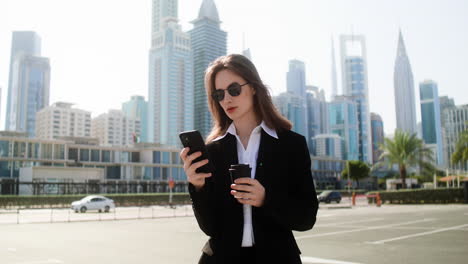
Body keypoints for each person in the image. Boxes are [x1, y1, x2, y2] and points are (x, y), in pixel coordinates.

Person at [180, 54, 318, 264]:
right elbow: (210, 227)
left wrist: (266, 198)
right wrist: (198, 188)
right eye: (219, 94)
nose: (227, 99)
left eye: (234, 89)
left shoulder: (292, 145)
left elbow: (306, 218)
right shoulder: (213, 151)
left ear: (253, 87)